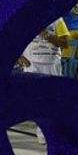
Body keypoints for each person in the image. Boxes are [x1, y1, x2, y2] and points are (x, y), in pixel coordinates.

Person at [17, 11, 69, 144]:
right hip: (32, 64)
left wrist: (47, 35)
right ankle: (42, 131)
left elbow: (65, 44)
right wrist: (19, 57)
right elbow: (16, 39)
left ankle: (53, 132)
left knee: (54, 100)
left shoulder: (58, 20)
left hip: (52, 64)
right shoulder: (27, 19)